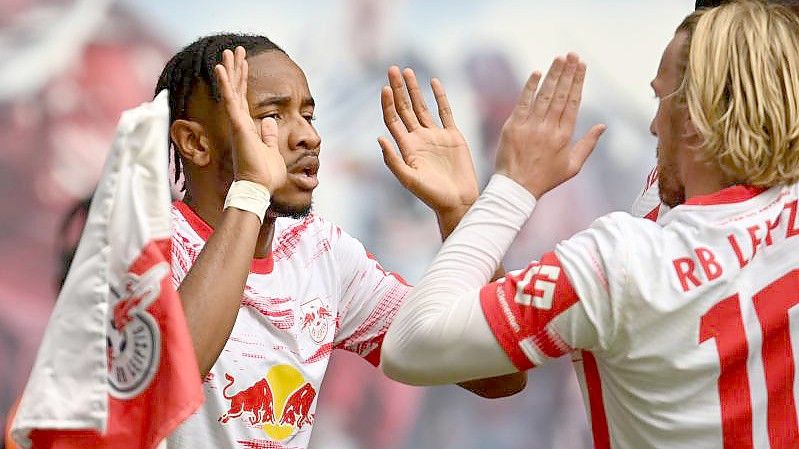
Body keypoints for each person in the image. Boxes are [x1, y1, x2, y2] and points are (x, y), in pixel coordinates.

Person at [380, 1, 799, 447]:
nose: (654, 126)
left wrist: (512, 186)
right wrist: (463, 205)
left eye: (661, 100)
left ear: (696, 121)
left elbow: (411, 346)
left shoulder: (619, 262)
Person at [156, 34, 525, 448]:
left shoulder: (323, 254)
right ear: (196, 142)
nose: (308, 137)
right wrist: (252, 190)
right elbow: (165, 392)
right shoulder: (145, 246)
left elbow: (496, 374)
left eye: (308, 116)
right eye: (272, 116)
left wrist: (460, 214)